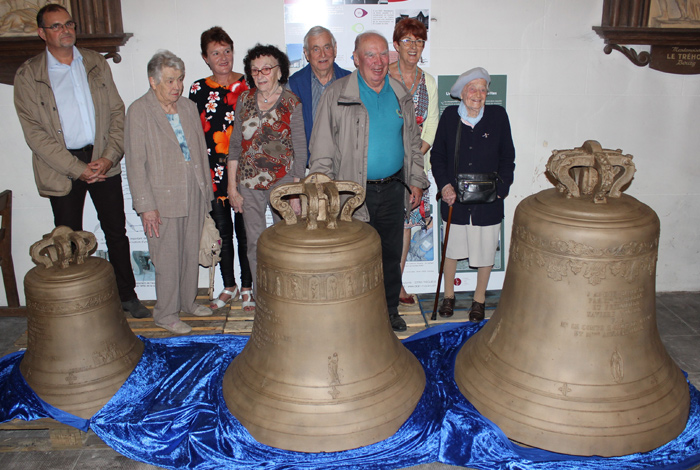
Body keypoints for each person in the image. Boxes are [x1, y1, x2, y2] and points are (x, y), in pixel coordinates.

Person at [13, 3, 149, 319]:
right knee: (68, 238)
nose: (66, 30)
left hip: (102, 158)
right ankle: (79, 307)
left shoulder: (94, 63)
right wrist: (77, 169)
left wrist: (109, 156)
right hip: (62, 167)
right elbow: (35, 134)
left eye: (69, 24)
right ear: (41, 33)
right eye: (57, 26)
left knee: (116, 231)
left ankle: (127, 296)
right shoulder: (29, 75)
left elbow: (117, 112)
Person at [309, 31, 428, 332]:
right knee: (353, 258)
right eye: (370, 55)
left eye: (382, 54)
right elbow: (321, 150)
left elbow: (412, 143)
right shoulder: (337, 94)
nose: (378, 62)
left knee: (390, 254)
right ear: (356, 59)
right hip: (351, 194)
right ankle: (354, 316)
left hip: (393, 189)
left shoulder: (400, 93)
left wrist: (415, 180)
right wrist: (323, 196)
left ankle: (389, 311)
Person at [125, 50, 214, 334]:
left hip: (193, 192)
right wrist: (145, 206)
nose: (177, 86)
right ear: (153, 81)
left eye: (180, 79)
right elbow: (135, 164)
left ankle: (187, 302)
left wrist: (207, 193)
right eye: (170, 80)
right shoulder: (139, 110)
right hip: (162, 200)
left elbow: (199, 152)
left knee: (190, 253)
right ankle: (165, 314)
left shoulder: (187, 107)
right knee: (167, 259)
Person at [430, 67, 515, 322]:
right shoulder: (449, 117)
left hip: (488, 200)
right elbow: (438, 156)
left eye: (482, 89)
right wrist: (444, 186)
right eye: (472, 89)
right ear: (462, 93)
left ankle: (479, 300)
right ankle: (448, 296)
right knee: (451, 250)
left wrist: (502, 190)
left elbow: (507, 156)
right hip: (455, 199)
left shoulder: (498, 116)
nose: (477, 94)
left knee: (486, 250)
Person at [227, 44, 306, 298]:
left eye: (267, 69)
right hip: (248, 184)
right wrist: (232, 187)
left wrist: (295, 193)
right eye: (255, 70)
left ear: (279, 70)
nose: (261, 75)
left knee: (285, 242)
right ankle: (265, 298)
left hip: (282, 182)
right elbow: (236, 145)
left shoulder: (292, 102)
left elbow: (300, 149)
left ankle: (288, 295)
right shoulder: (244, 100)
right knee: (255, 243)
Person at [189, 27, 254, 312]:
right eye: (216, 53)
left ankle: (248, 287)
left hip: (245, 173)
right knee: (222, 234)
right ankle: (229, 286)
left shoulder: (249, 84)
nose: (223, 57)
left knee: (246, 233)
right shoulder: (197, 89)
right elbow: (191, 134)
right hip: (211, 175)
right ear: (205, 58)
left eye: (227, 50)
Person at [387, 18, 438, 307]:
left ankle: (397, 282)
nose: (414, 47)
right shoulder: (383, 76)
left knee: (406, 226)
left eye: (419, 41)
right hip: (383, 164)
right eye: (407, 40)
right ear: (396, 44)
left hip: (415, 165)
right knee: (381, 226)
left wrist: (413, 158)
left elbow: (431, 124)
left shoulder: (428, 82)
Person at [288, 26, 351, 162]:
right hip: (307, 167)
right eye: (316, 49)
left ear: (335, 49)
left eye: (327, 47)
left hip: (344, 166)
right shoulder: (293, 85)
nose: (323, 54)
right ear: (306, 53)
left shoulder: (351, 82)